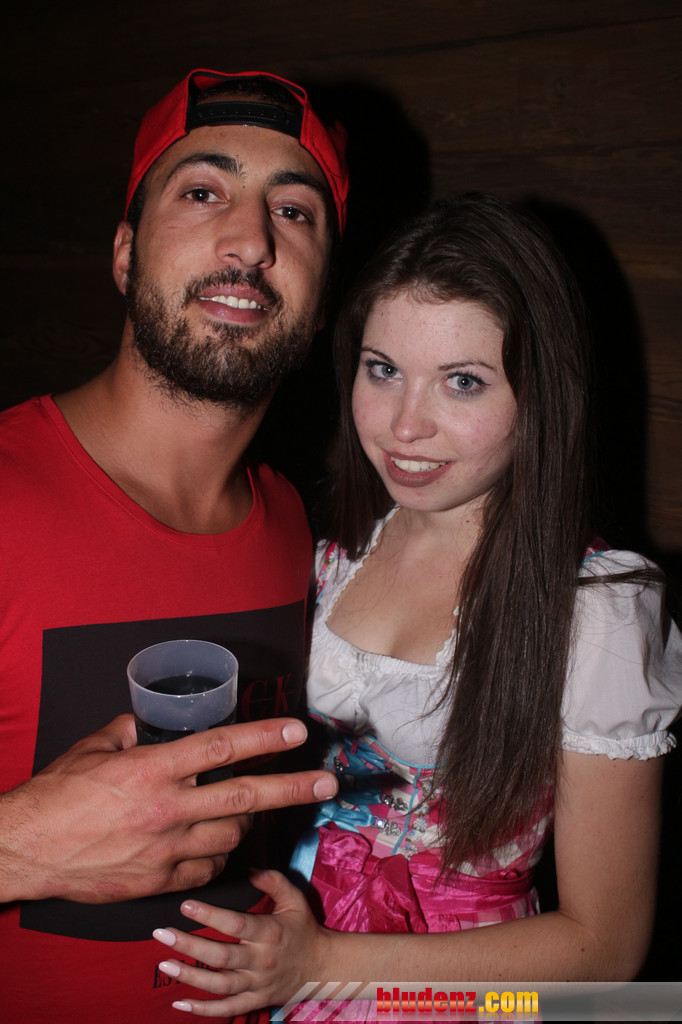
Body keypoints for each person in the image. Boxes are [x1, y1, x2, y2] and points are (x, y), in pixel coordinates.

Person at [148, 194, 682, 1016]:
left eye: (462, 382)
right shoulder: (328, 541)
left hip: (464, 994)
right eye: (383, 369)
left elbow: (605, 948)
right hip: (281, 956)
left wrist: (325, 960)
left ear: (542, 395)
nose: (405, 426)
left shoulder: (600, 607)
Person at [0, 68, 350, 1022]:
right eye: (203, 193)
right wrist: (19, 849)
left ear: (323, 295)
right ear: (124, 254)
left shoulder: (296, 527)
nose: (251, 241)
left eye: (294, 212)